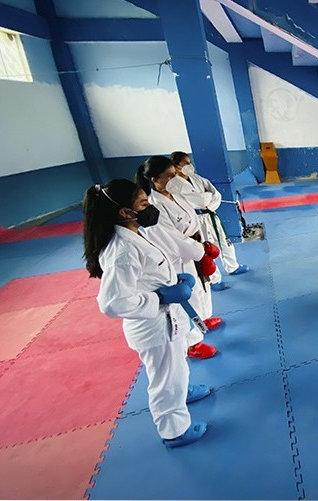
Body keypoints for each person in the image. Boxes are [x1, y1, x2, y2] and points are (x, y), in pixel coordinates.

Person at [82, 179, 209, 447]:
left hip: (166, 319)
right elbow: (112, 302)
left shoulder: (135, 232)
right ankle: (174, 430)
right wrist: (159, 297)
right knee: (165, 379)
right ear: (125, 212)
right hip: (153, 325)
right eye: (143, 204)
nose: (151, 207)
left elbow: (148, 273)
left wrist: (175, 279)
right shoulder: (122, 250)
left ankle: (182, 391)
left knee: (175, 367)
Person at [136, 156, 220, 360]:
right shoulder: (154, 206)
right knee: (188, 296)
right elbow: (171, 239)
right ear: (155, 179)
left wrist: (204, 244)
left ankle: (203, 319)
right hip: (178, 256)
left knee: (202, 287)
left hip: (195, 246)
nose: (175, 179)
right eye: (170, 176)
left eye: (176, 174)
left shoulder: (177, 193)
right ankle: (192, 344)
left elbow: (196, 213)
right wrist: (198, 250)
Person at [169, 151, 248, 292]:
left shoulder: (197, 178)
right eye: (185, 163)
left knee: (225, 241)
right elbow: (200, 201)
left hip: (211, 214)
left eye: (190, 162)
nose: (189, 166)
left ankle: (233, 266)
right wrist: (206, 198)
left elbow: (216, 194)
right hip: (196, 220)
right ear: (176, 167)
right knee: (206, 249)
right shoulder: (176, 186)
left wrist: (208, 202)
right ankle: (214, 279)